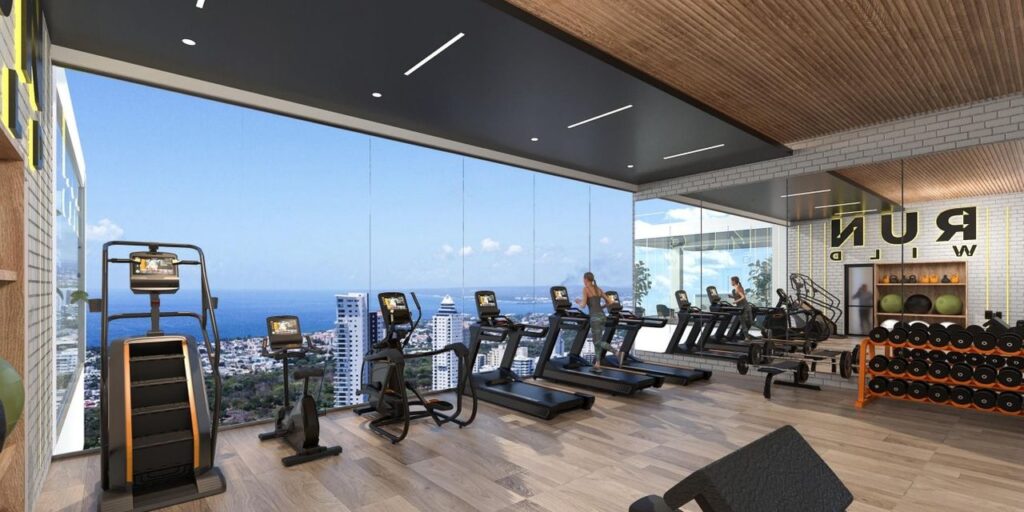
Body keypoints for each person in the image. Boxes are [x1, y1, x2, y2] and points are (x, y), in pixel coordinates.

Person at [574, 272, 622, 372]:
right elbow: (610, 302)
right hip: (602, 316)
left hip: (595, 318)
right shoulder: (598, 289)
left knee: (597, 341)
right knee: (597, 341)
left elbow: (583, 305)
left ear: (585, 279)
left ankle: (617, 352)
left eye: (583, 279)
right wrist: (601, 307)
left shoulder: (586, 289)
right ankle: (597, 364)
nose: (583, 281)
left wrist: (578, 301)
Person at [730, 276, 754, 341]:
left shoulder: (737, 288)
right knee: (751, 322)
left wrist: (735, 301)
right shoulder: (740, 287)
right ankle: (765, 329)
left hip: (742, 308)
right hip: (747, 306)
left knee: (743, 323)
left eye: (731, 281)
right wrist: (732, 297)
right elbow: (739, 296)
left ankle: (747, 337)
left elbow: (743, 297)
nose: (731, 282)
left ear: (734, 281)